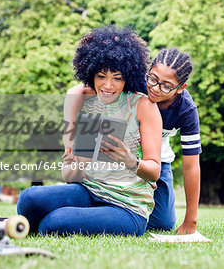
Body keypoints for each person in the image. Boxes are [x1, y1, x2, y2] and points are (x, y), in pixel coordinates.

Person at [17, 26, 162, 236]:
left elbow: (154, 171)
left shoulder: (143, 105)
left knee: (56, 223)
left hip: (127, 206)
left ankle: (36, 226)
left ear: (128, 76)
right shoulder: (84, 101)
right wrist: (77, 163)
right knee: (29, 198)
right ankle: (34, 224)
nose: (109, 85)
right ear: (90, 72)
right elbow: (69, 177)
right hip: (89, 191)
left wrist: (129, 160)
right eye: (102, 76)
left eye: (118, 78)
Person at [66, 48, 201, 234]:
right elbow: (76, 91)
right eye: (153, 78)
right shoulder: (134, 84)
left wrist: (190, 221)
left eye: (166, 86)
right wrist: (70, 140)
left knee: (162, 223)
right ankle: (99, 208)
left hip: (156, 161)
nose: (154, 88)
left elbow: (191, 166)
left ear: (180, 88)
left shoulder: (186, 110)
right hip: (120, 155)